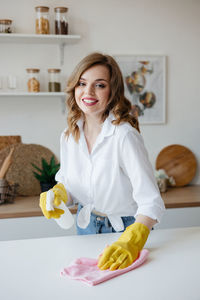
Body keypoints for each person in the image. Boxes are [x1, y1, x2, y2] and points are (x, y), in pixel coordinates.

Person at [40, 52, 165, 271]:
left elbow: (151, 201)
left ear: (112, 91)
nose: (88, 92)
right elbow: (72, 185)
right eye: (82, 83)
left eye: (99, 85)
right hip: (86, 226)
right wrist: (59, 194)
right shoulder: (69, 135)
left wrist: (132, 239)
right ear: (74, 88)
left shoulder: (124, 136)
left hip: (125, 231)